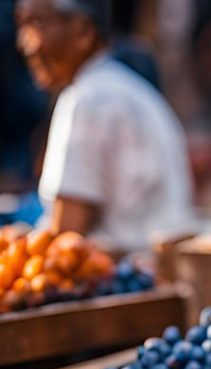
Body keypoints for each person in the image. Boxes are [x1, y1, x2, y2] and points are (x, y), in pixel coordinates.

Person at [15, 0, 193, 252]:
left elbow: (67, 234)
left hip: (131, 268)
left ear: (83, 31)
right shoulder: (125, 86)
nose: (25, 43)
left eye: (36, 24)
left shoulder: (87, 101)